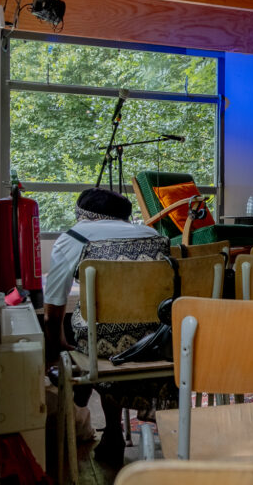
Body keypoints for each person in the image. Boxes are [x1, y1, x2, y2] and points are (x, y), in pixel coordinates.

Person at [43, 187, 172, 465]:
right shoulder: (156, 237)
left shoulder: (75, 237)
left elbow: (53, 310)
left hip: (104, 346)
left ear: (83, 214)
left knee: (95, 332)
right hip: (161, 340)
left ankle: (109, 425)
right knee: (115, 329)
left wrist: (57, 350)